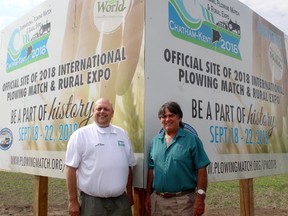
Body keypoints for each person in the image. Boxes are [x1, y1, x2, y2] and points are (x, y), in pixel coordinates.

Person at [65, 98, 136, 216]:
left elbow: (128, 166)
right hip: (93, 203)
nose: (102, 111)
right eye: (99, 108)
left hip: (120, 202)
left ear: (112, 113)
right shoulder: (80, 135)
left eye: (106, 109)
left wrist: (129, 193)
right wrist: (72, 201)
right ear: (93, 111)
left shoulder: (122, 134)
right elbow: (70, 169)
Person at [145, 101, 210, 216]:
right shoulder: (155, 141)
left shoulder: (191, 140)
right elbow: (151, 169)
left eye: (171, 115)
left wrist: (200, 198)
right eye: (163, 116)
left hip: (184, 202)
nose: (167, 119)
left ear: (179, 117)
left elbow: (201, 169)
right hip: (158, 202)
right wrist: (148, 195)